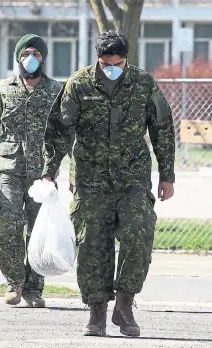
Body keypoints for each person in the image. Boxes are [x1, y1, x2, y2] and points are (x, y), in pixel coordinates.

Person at [42, 30, 175, 337]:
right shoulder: (79, 84)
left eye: (116, 63)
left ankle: (125, 306)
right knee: (91, 245)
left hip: (133, 178)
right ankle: (96, 312)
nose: (110, 68)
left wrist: (167, 176)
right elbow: (58, 130)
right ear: (97, 59)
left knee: (138, 238)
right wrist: (50, 171)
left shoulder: (143, 83)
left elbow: (163, 129)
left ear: (126, 59)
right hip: (91, 180)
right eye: (105, 63)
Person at [0, 34, 62, 307]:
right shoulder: (3, 89)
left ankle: (35, 289)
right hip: (8, 168)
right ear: (18, 56)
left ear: (43, 58)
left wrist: (55, 168)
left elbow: (63, 133)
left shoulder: (56, 91)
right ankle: (14, 282)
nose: (30, 59)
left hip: (43, 173)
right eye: (26, 54)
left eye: (36, 54)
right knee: (9, 223)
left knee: (38, 230)